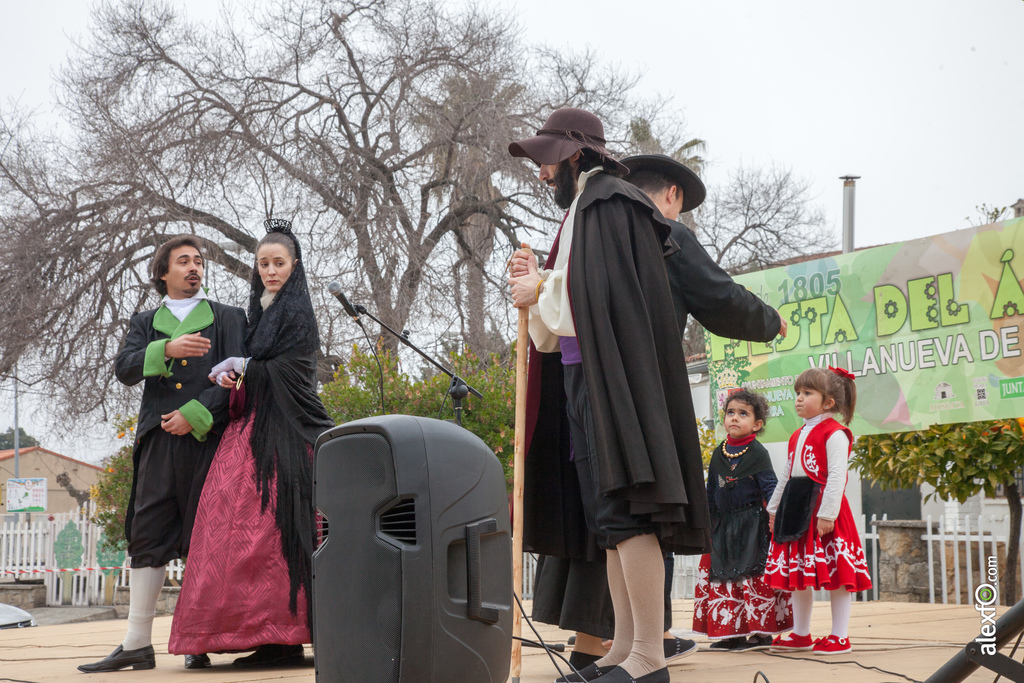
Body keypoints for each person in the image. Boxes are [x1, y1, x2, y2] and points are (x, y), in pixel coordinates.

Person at [508, 108, 710, 683]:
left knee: (629, 514)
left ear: (574, 154)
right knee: (609, 521)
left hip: (609, 382)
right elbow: (574, 296)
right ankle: (623, 648)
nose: (542, 174)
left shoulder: (608, 202)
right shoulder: (585, 209)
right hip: (583, 379)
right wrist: (540, 287)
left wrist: (540, 289)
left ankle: (648, 656)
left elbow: (599, 296)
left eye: (547, 161)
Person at [168, 219, 334, 667]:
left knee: (273, 530)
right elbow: (263, 368)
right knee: (226, 522)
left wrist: (246, 366)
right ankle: (239, 634)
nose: (271, 270)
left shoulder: (298, 311)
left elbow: (295, 374)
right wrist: (238, 372)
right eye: (263, 263)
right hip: (254, 428)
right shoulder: (260, 308)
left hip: (288, 435)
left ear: (294, 265)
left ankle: (283, 635)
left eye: (279, 263)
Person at [79, 236, 246, 673]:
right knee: (147, 534)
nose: (195, 268)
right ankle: (136, 643)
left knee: (203, 537)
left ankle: (199, 638)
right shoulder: (145, 321)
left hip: (208, 439)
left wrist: (195, 412)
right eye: (184, 261)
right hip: (157, 441)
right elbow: (124, 368)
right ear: (162, 274)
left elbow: (240, 374)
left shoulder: (228, 317)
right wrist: (165, 349)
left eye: (199, 261)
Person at [765, 366, 871, 655]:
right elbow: (786, 476)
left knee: (838, 576)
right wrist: (773, 510)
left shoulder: (836, 433)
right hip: (797, 509)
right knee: (798, 577)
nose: (799, 398)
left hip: (825, 511)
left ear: (829, 402)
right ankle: (800, 634)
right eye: (798, 392)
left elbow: (837, 476)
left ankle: (840, 636)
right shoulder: (797, 434)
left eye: (807, 393)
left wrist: (827, 515)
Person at [691, 390, 792, 650]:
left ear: (757, 425)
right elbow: (711, 491)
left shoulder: (758, 453)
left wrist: (773, 515)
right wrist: (706, 523)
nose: (734, 418)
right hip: (723, 527)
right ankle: (732, 634)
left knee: (751, 577)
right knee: (726, 579)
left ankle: (760, 634)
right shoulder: (718, 453)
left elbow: (770, 486)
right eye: (730, 413)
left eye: (743, 414)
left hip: (752, 527)